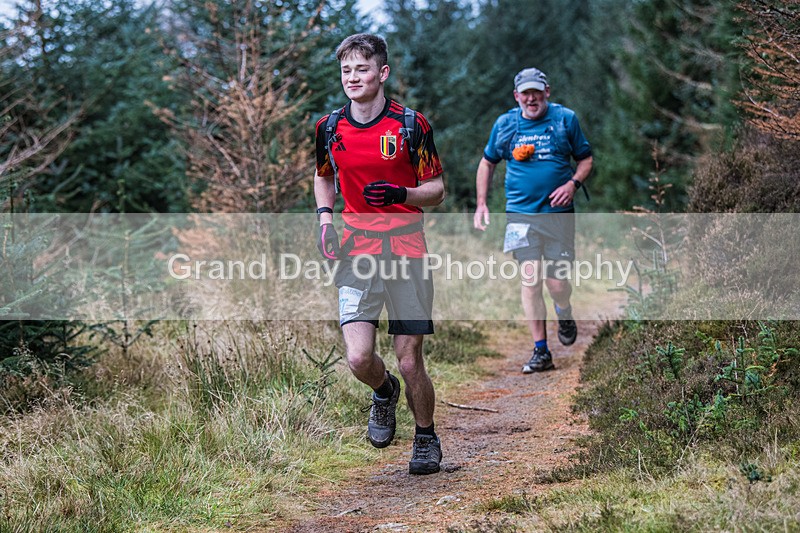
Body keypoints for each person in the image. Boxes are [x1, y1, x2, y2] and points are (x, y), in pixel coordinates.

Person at [313, 33, 446, 475]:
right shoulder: (329, 127)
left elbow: (437, 190)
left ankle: (425, 437)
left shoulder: (411, 124)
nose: (353, 77)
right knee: (358, 358)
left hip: (407, 249)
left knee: (410, 359)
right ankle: (383, 391)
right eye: (346, 70)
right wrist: (325, 220)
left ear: (382, 73)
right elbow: (322, 176)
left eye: (362, 69)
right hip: (357, 251)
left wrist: (403, 193)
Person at [473, 67, 593, 374]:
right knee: (530, 280)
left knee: (557, 284)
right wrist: (482, 204)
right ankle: (541, 350)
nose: (531, 98)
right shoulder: (506, 125)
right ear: (517, 96)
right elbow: (487, 163)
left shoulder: (565, 119)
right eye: (525, 93)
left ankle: (563, 310)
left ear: (547, 92)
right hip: (520, 217)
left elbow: (585, 159)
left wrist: (572, 185)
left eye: (536, 92)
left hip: (558, 217)